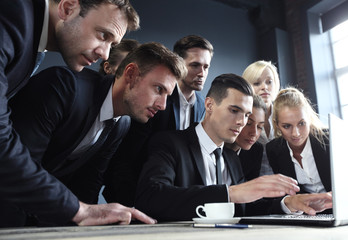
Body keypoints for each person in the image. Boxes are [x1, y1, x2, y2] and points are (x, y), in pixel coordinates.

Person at [9, 42, 186, 226]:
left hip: (45, 215)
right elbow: (20, 167)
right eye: (159, 89)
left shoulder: (122, 124)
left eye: (168, 95)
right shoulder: (63, 86)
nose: (163, 105)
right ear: (131, 74)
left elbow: (88, 185)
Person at [0, 0, 140, 227]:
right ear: (67, 8)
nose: (105, 54)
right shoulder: (12, 13)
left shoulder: (32, 40)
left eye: (112, 43)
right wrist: (77, 210)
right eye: (103, 35)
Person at [134, 73, 324, 221]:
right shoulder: (170, 143)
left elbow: (247, 207)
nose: (241, 122)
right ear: (209, 105)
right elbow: (150, 197)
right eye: (234, 111)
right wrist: (229, 193)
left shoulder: (232, 158)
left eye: (246, 115)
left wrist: (288, 203)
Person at [103, 35, 213, 206]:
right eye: (195, 65)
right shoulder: (151, 99)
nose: (202, 73)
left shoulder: (202, 106)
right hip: (136, 197)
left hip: (174, 202)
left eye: (206, 67)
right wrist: (128, 204)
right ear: (179, 63)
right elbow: (126, 157)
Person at [267, 87, 331, 198]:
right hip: (305, 213)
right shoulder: (273, 149)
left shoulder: (330, 139)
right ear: (277, 125)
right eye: (287, 126)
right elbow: (287, 194)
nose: (295, 134)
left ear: (309, 119)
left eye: (301, 123)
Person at [242, 60, 280, 176]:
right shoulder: (241, 119)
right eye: (257, 83)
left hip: (285, 184)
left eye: (269, 82)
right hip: (252, 183)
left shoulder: (285, 116)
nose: (265, 87)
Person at [226, 95, 266, 181]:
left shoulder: (255, 150)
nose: (254, 133)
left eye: (260, 127)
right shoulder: (216, 148)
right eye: (248, 123)